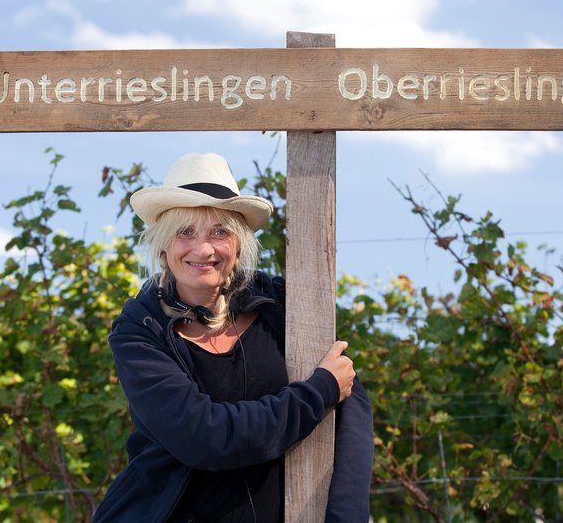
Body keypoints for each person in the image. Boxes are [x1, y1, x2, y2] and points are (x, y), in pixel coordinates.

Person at [93, 153, 373, 522]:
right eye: (185, 232)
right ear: (163, 247)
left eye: (219, 232)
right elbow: (205, 438)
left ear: (239, 245)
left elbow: (352, 415)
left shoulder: (285, 307)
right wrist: (317, 392)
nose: (204, 248)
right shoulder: (139, 332)